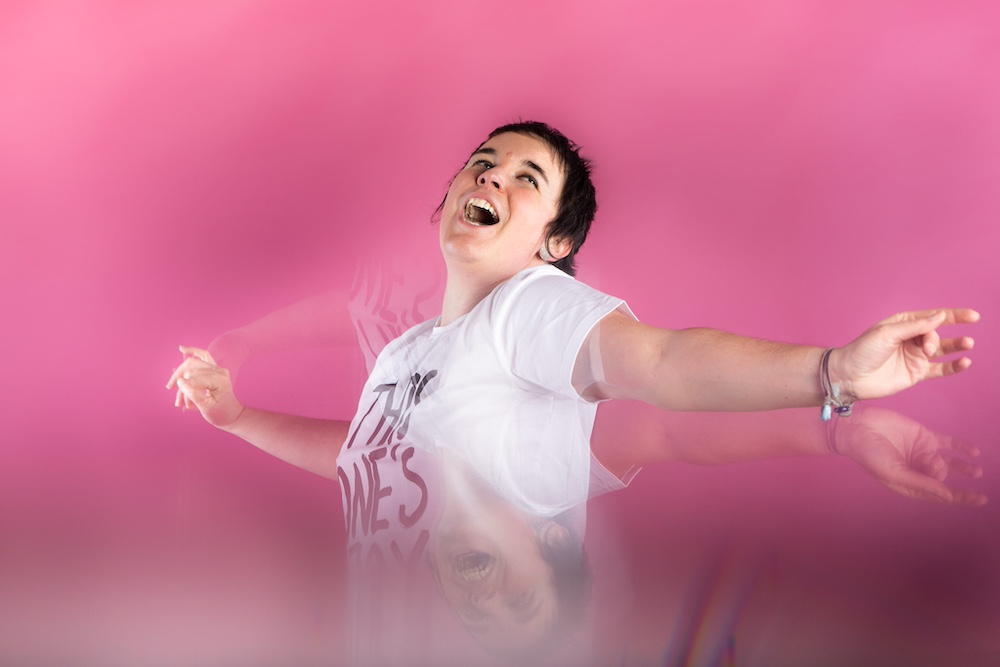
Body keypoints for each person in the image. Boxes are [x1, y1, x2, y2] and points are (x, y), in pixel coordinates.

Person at [166, 120, 979, 658]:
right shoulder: (409, 351)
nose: (490, 176)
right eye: (482, 164)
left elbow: (659, 366)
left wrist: (832, 373)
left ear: (553, 242)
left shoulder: (530, 307)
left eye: (526, 176)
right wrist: (238, 418)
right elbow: (364, 457)